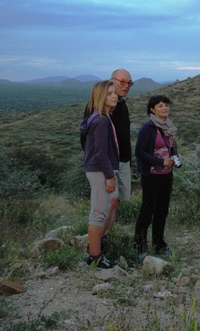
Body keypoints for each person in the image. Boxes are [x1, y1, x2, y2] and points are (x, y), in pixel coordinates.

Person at [79, 80, 120, 269]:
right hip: (99, 170)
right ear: (101, 96)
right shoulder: (101, 120)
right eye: (110, 93)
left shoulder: (97, 117)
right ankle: (95, 256)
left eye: (114, 93)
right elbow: (101, 153)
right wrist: (110, 176)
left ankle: (95, 254)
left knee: (99, 211)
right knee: (97, 213)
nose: (115, 96)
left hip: (96, 169)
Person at [133, 94, 178, 256]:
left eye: (166, 105)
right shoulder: (148, 128)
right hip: (151, 175)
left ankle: (159, 244)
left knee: (162, 210)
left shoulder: (168, 127)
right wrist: (160, 161)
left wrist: (174, 157)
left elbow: (171, 147)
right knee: (147, 210)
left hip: (167, 174)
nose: (164, 108)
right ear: (152, 110)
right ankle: (139, 247)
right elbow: (139, 152)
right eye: (160, 106)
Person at [102, 69, 134, 252]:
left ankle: (105, 241)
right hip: (108, 162)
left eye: (129, 83)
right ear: (111, 80)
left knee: (117, 202)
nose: (126, 86)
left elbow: (124, 136)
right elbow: (88, 138)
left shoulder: (122, 105)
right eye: (122, 82)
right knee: (109, 201)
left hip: (122, 162)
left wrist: (127, 163)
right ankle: (97, 245)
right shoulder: (101, 105)